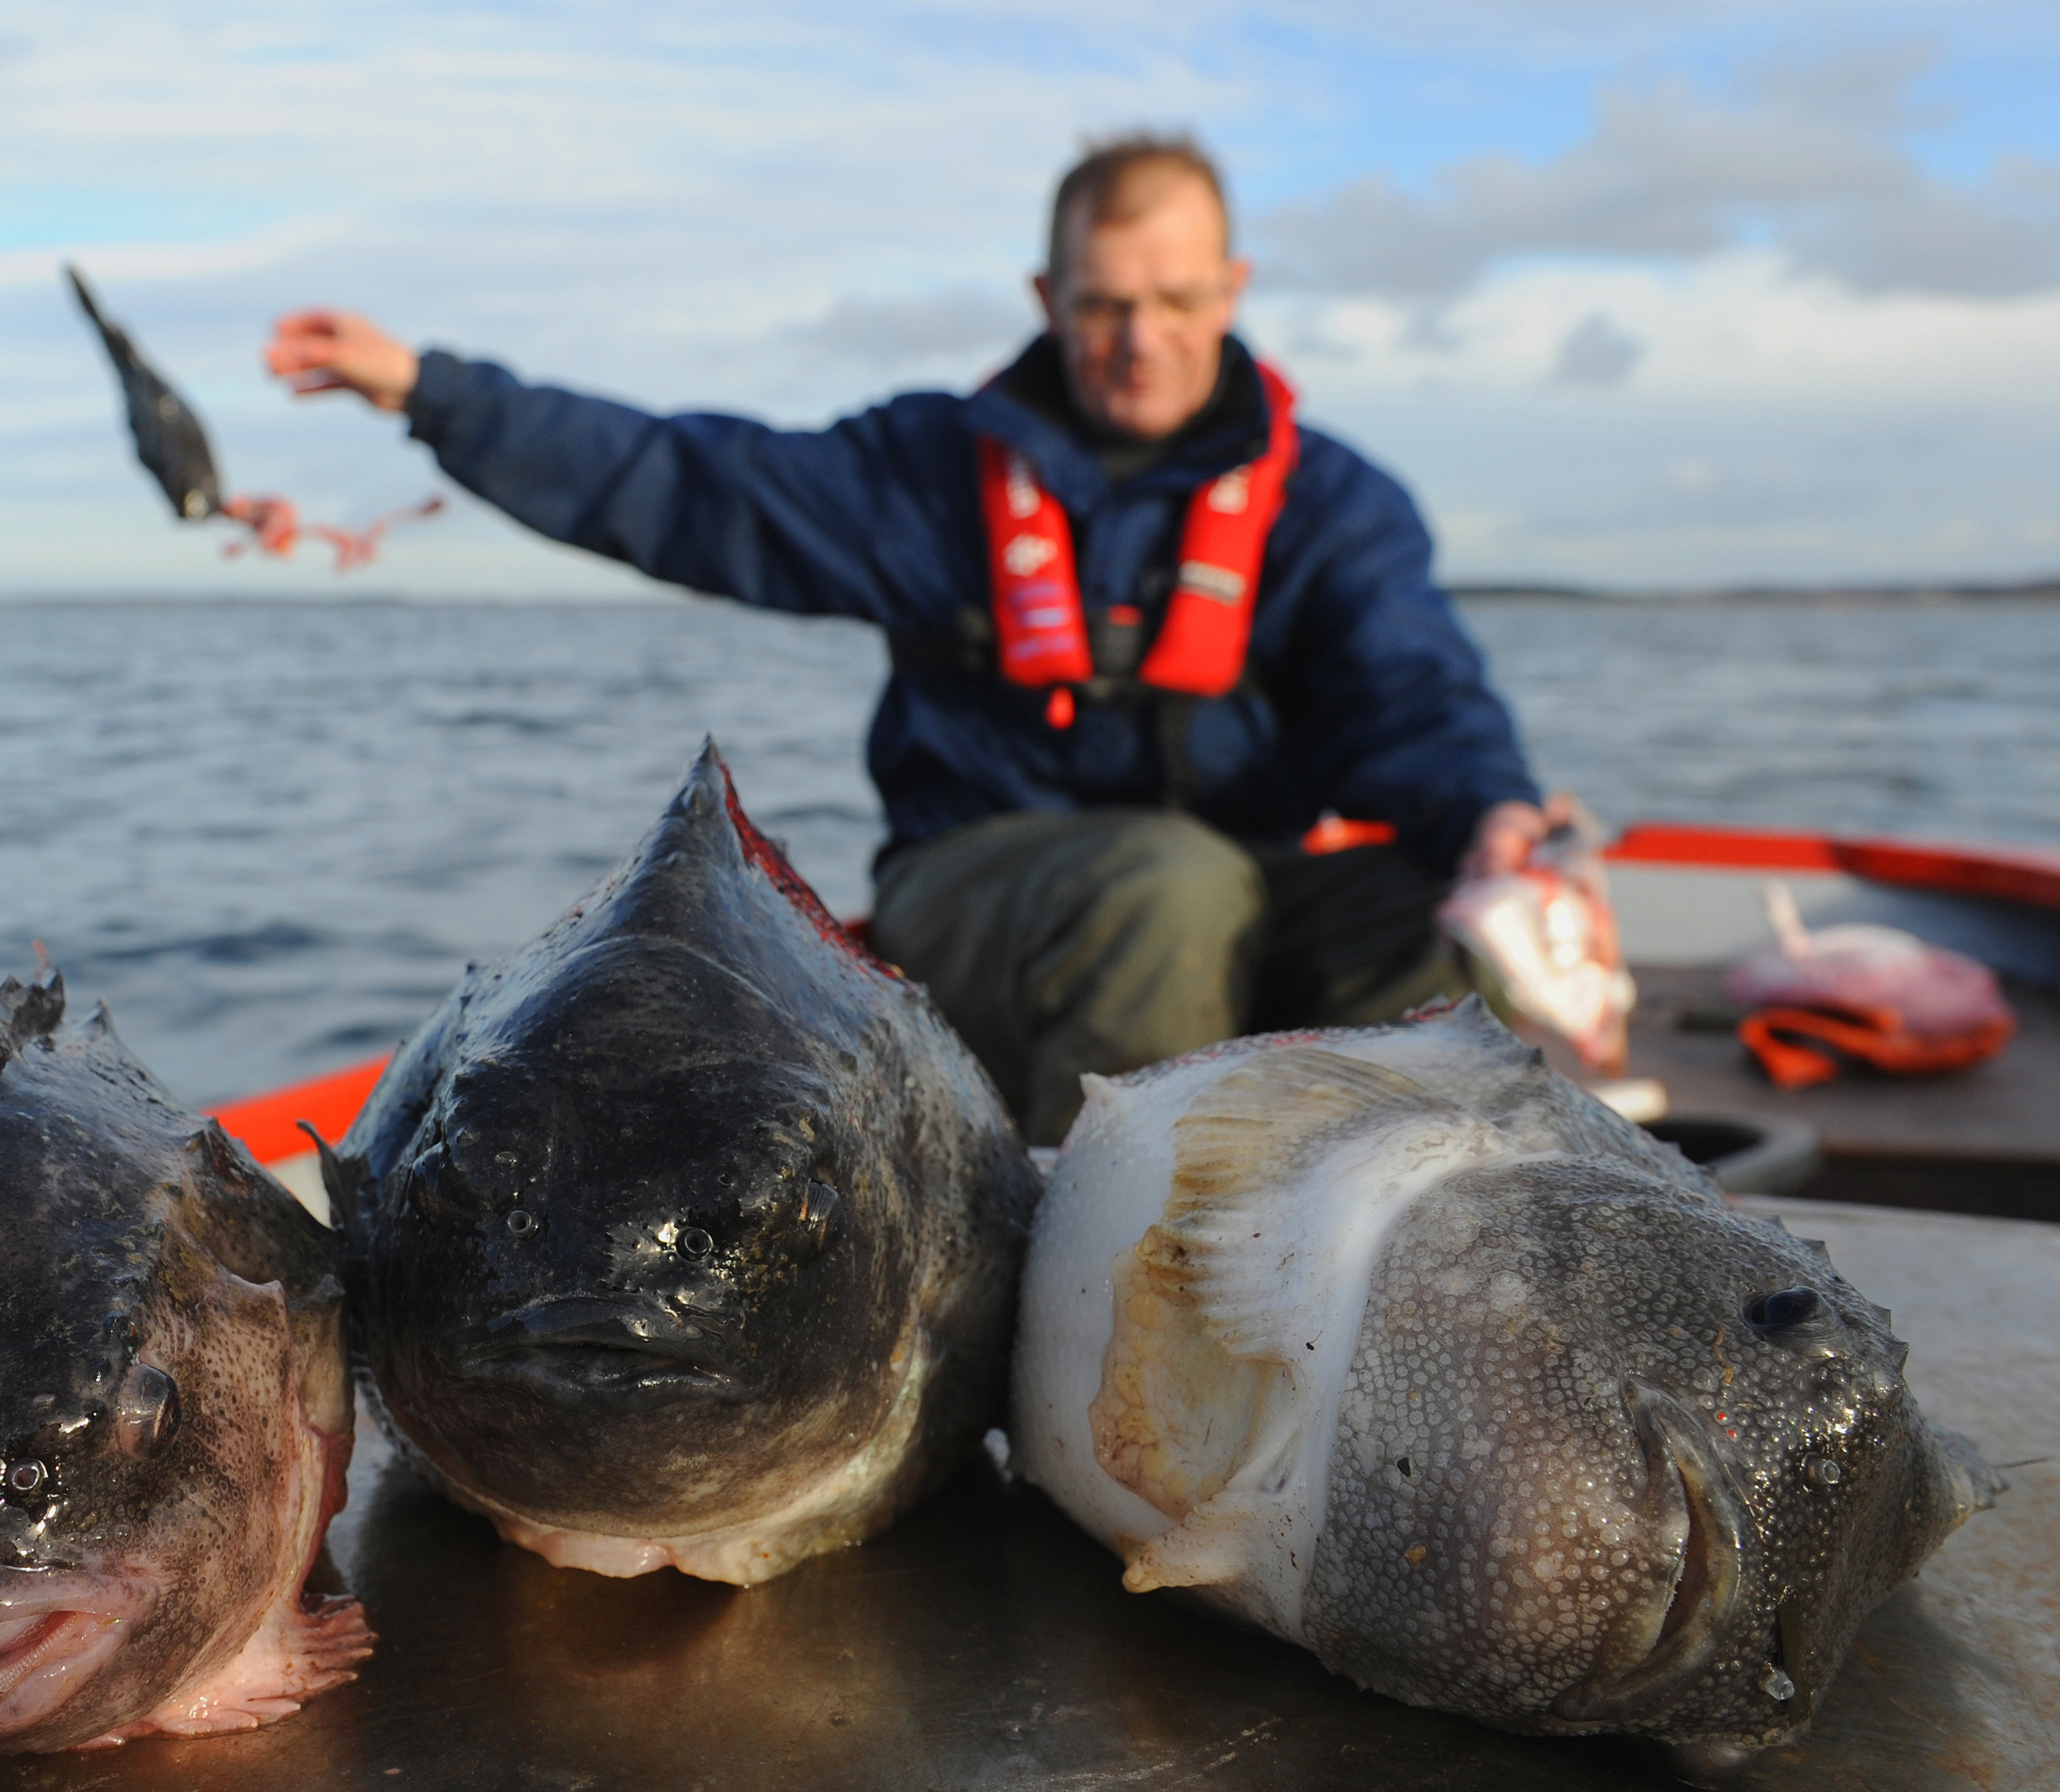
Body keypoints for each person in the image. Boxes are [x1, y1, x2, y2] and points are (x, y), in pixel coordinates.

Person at [263, 134, 1548, 1145]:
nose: (1137, 339)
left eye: (1171, 298)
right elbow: (684, 485)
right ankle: (1100, 1295)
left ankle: (1394, 1271)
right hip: (979, 898)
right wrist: (434, 393)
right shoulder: (931, 471)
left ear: (1231, 289)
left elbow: (1414, 691)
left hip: (1226, 886)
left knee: (1420, 921)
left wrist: (1490, 813)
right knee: (1165, 887)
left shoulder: (1332, 502)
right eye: (1102, 305)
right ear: (1047, 297)